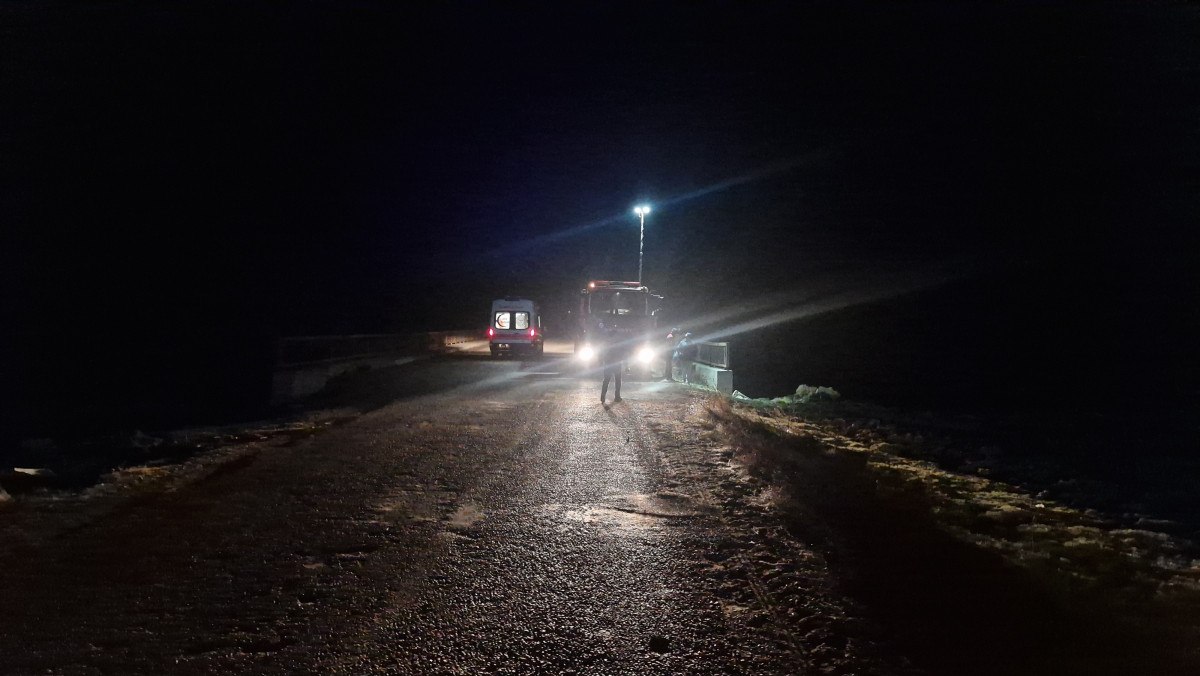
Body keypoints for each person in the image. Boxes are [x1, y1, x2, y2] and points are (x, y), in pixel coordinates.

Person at [599, 321, 625, 405]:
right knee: (618, 380)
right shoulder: (618, 342)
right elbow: (621, 352)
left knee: (606, 380)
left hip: (608, 363)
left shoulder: (606, 342)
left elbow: (602, 352)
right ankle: (617, 396)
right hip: (616, 363)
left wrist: (602, 360)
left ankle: (602, 397)